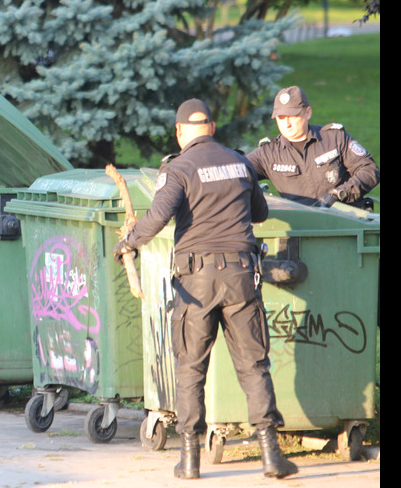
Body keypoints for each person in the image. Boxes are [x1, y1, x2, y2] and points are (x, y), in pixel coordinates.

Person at [113, 99, 298, 479]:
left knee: (191, 367)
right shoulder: (240, 163)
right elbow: (260, 213)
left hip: (196, 283)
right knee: (254, 365)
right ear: (212, 127)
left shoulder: (178, 167)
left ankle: (190, 459)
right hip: (242, 277)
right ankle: (270, 455)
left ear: (180, 132)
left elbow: (158, 216)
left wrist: (127, 242)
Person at [246, 86, 380, 209]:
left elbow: (369, 169)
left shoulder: (334, 139)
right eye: (281, 118)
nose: (286, 124)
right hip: (301, 228)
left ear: (308, 113)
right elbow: (236, 170)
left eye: (292, 116)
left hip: (346, 222)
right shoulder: (267, 154)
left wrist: (341, 194)